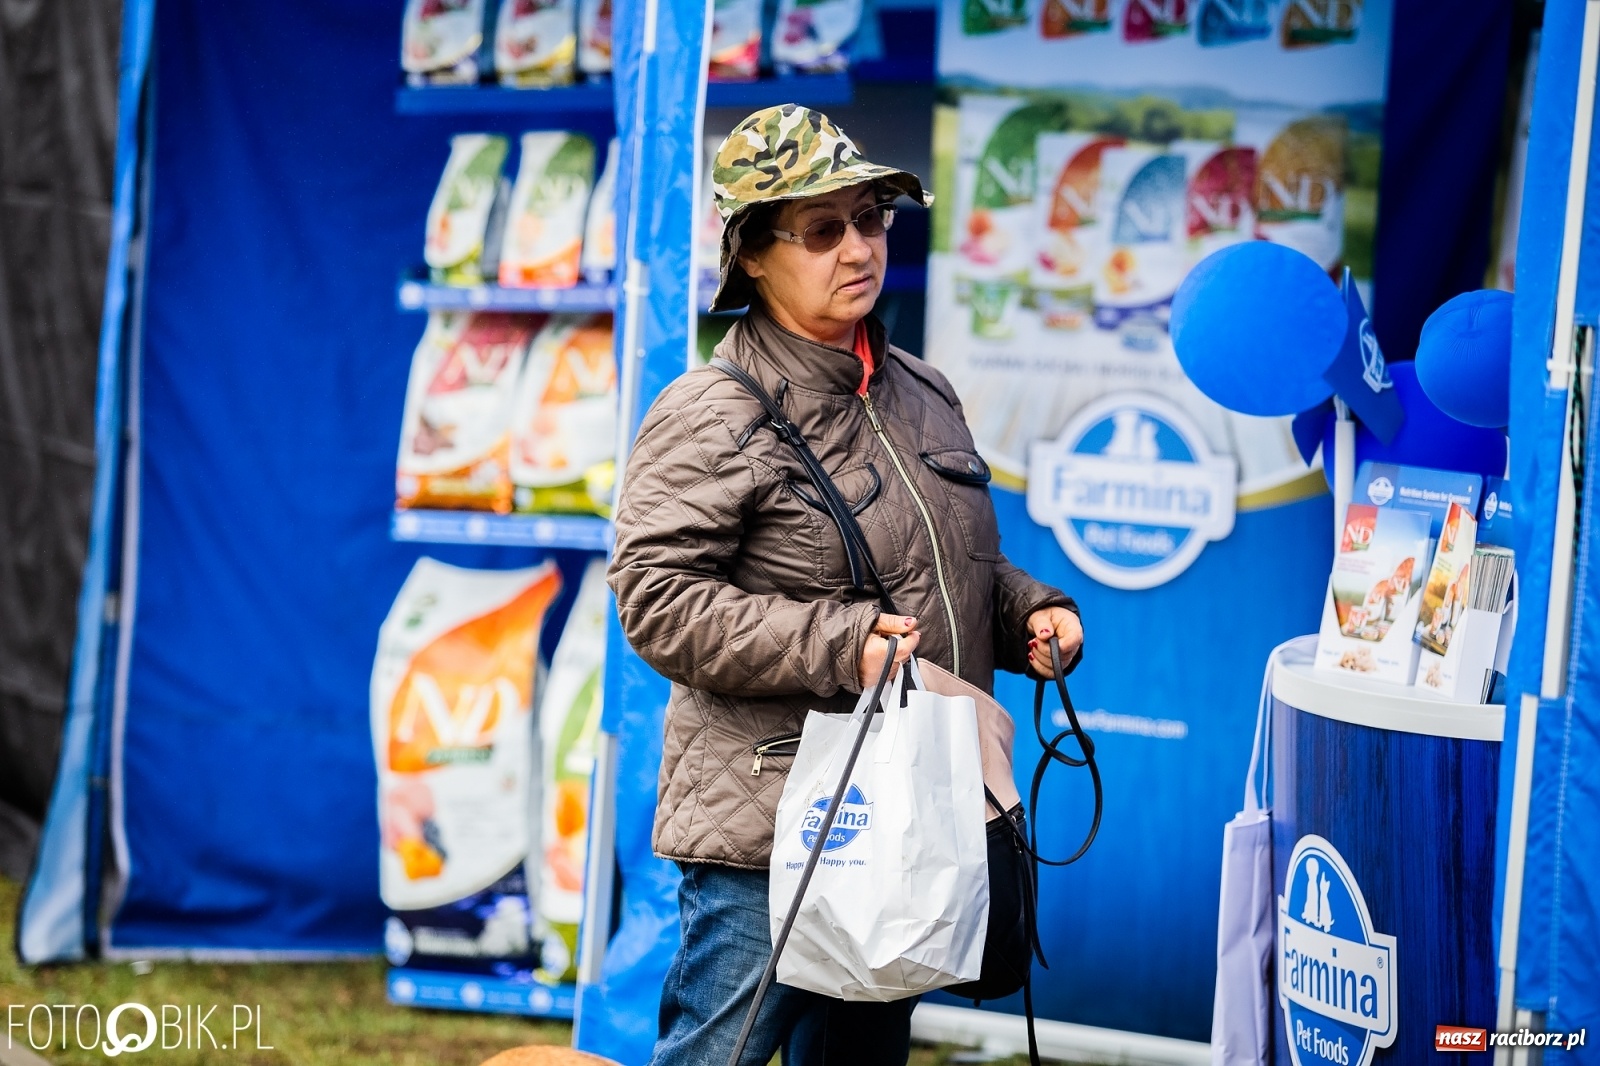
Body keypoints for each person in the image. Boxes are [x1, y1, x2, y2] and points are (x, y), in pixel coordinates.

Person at [607, 104, 1084, 1066]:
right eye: (823, 230)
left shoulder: (922, 387)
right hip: (770, 822)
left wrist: (1030, 612)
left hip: (908, 810)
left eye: (871, 219)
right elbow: (657, 603)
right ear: (752, 253)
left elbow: (955, 566)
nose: (858, 247)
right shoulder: (709, 409)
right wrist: (842, 644)